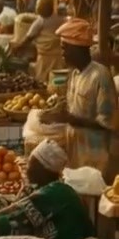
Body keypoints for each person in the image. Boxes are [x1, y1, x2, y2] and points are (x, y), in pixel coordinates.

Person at [49, 17, 119, 183]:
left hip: (98, 158)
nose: (62, 53)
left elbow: (108, 122)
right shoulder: (74, 74)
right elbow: (73, 109)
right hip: (78, 155)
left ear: (77, 48)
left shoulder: (100, 76)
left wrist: (71, 119)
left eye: (64, 48)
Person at [11, 0, 64, 86]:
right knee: (57, 79)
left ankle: (44, 92)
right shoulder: (60, 19)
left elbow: (29, 37)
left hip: (44, 56)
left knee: (42, 79)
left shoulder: (40, 21)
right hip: (58, 55)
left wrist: (18, 46)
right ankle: (57, 91)